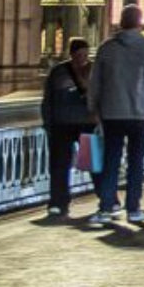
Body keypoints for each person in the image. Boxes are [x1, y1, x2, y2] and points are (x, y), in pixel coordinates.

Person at [90, 8, 144, 225]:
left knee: (111, 160)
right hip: (141, 113)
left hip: (112, 112)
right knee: (135, 161)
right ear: (141, 24)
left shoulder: (106, 49)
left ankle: (106, 207)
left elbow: (94, 84)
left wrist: (94, 109)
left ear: (120, 22)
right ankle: (133, 209)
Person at [41, 36, 98, 218]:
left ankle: (107, 199)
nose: (82, 58)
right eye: (79, 55)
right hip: (62, 123)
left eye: (85, 54)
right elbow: (48, 100)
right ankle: (58, 202)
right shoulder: (59, 72)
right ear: (72, 54)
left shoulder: (94, 70)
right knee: (59, 164)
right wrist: (48, 122)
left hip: (88, 122)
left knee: (94, 163)